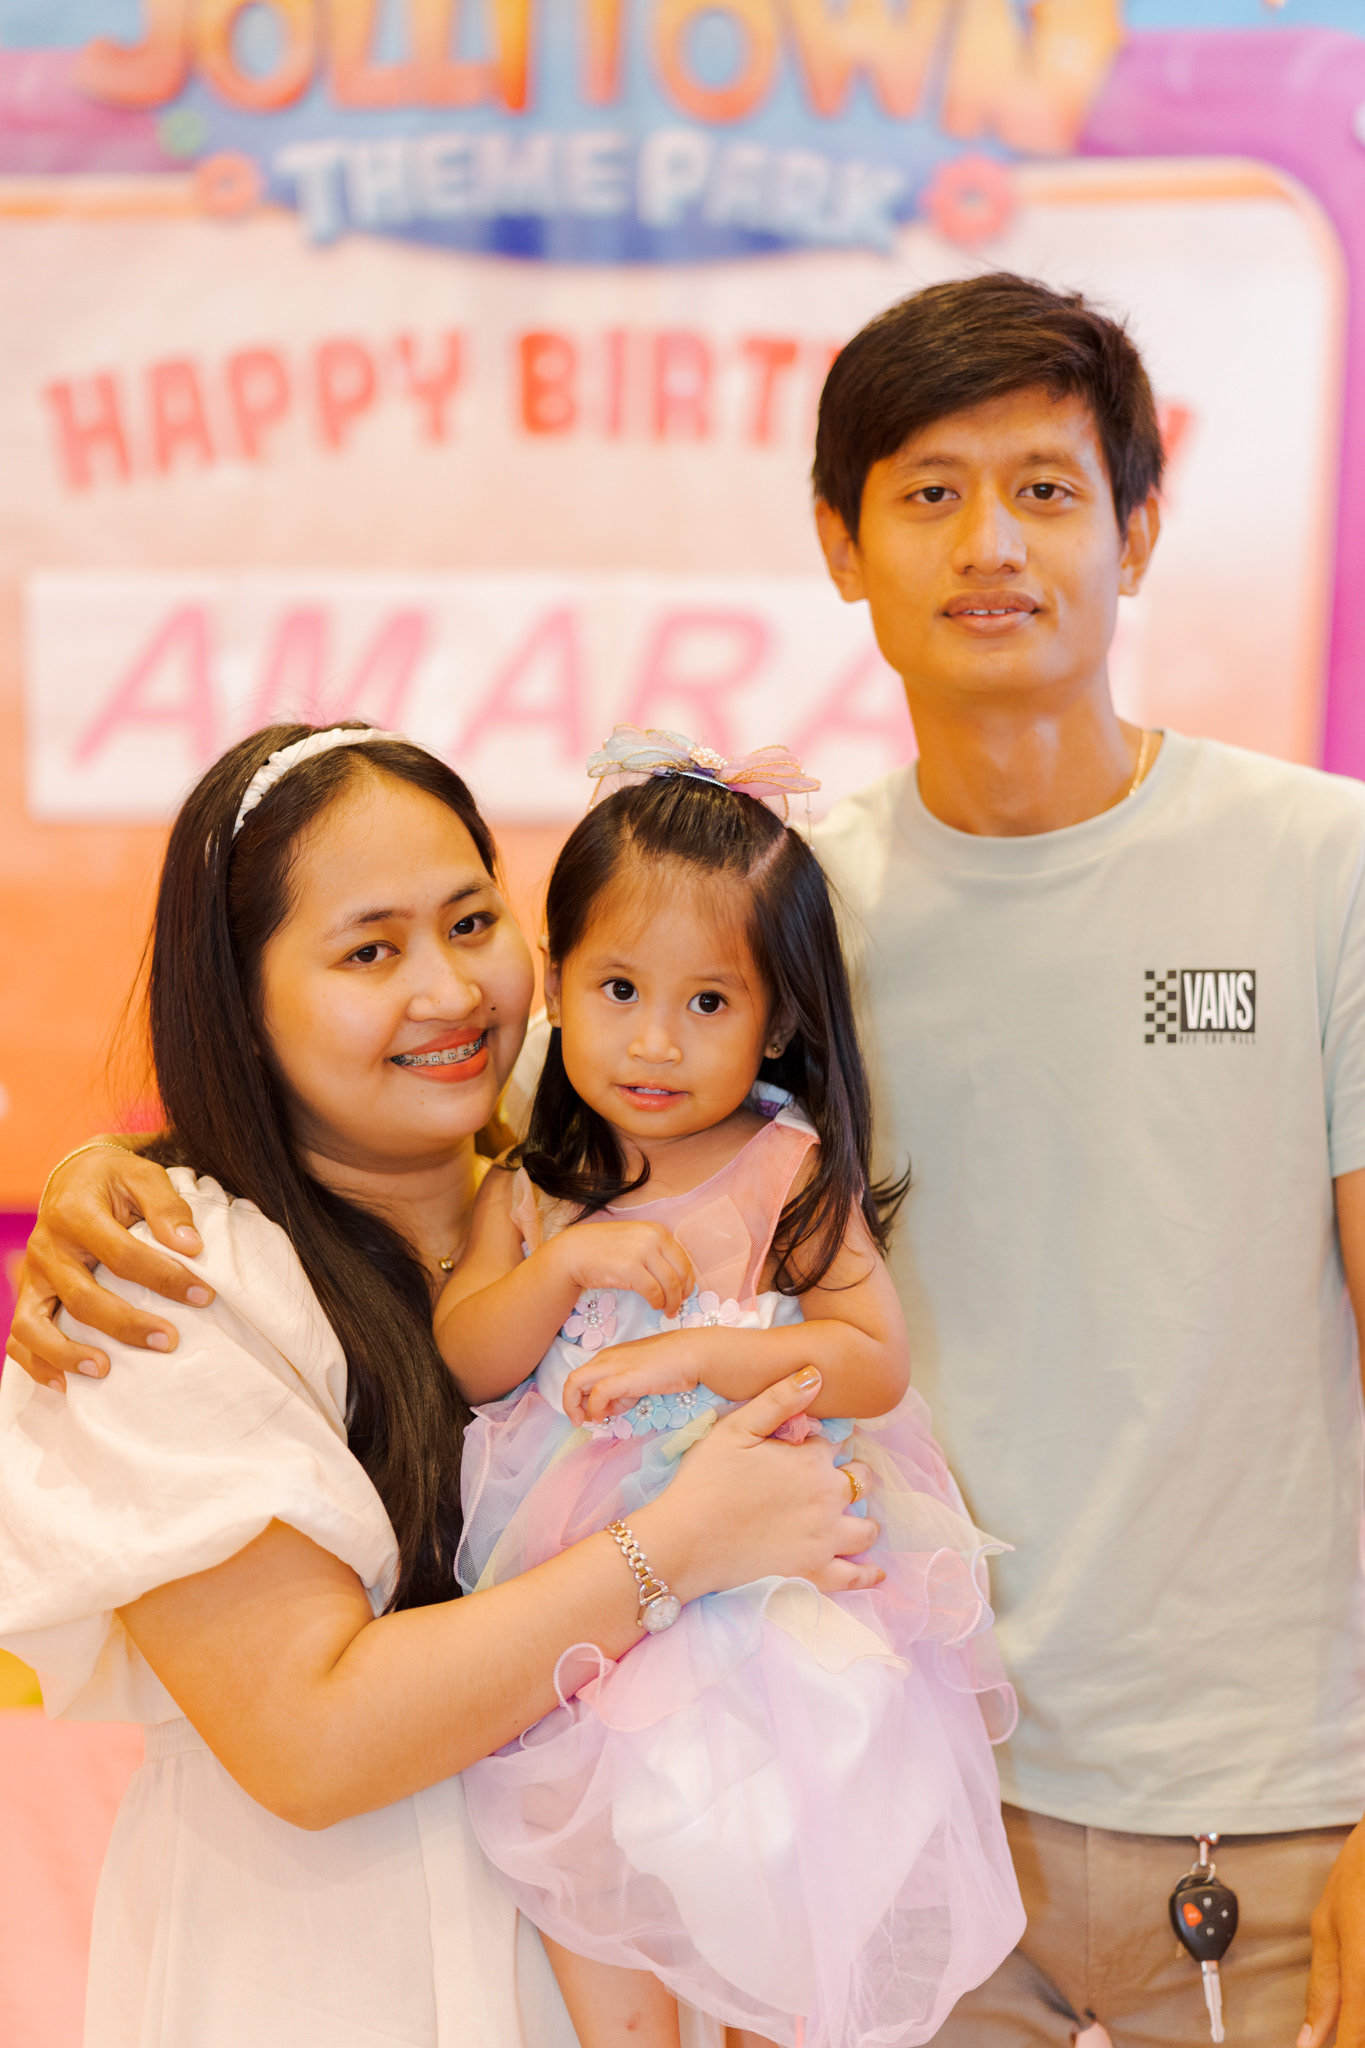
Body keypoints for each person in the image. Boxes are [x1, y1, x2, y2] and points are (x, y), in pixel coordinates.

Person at [15, 268, 1365, 2046]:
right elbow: (456, 1127)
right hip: (887, 1791)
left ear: (1138, 523)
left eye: (1043, 487)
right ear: (838, 541)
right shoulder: (761, 902)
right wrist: (121, 1175)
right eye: (928, 491)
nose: (988, 543)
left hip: (1249, 1801)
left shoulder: (1317, 868)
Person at [0, 721, 879, 2048]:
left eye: (471, 924)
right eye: (369, 952)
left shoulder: (582, 1190)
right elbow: (312, 1737)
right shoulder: (171, 1278)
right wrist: (680, 1544)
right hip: (328, 1995)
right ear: (239, 997)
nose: (450, 991)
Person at [439, 727, 1023, 2048]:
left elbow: (870, 1359)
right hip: (574, 1604)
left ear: (779, 1015)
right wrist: (562, 1266)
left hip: (762, 1614)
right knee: (596, 1889)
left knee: (770, 1889)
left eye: (708, 1003)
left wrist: (703, 1353)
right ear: (554, 981)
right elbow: (469, 1355)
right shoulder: (528, 1190)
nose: (655, 1041)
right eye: (618, 988)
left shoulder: (783, 1170)